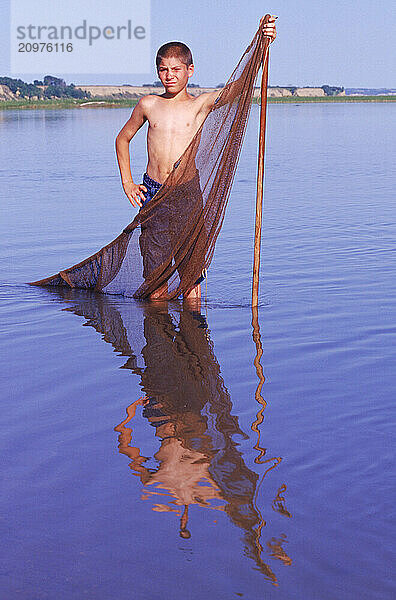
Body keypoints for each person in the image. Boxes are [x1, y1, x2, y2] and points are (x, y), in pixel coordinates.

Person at [115, 16, 277, 300]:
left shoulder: (200, 104)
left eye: (176, 69)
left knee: (191, 275)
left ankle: (194, 337)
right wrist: (127, 182)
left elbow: (239, 86)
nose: (170, 75)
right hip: (153, 193)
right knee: (155, 275)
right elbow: (122, 139)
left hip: (187, 193)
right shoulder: (149, 104)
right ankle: (159, 337)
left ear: (190, 70)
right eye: (163, 69)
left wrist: (262, 47)